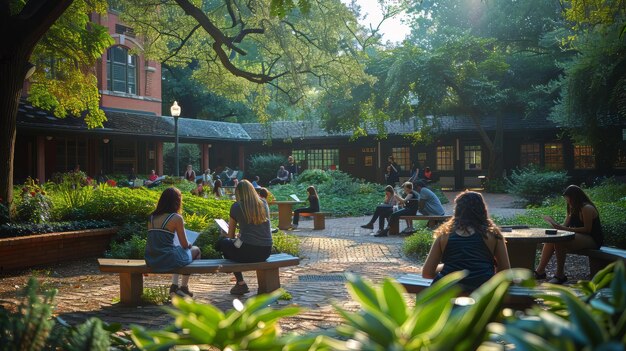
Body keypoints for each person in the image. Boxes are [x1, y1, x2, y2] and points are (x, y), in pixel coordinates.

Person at [422, 191, 510, 292]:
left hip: (449, 291)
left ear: (457, 210)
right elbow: (505, 272)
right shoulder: (493, 234)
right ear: (483, 209)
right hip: (482, 291)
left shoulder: (444, 234)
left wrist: (446, 267)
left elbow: (427, 273)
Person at [534, 185, 604, 284]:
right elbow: (564, 226)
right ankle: (539, 271)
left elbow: (587, 229)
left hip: (592, 239)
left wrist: (562, 228)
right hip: (581, 237)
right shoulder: (572, 209)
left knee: (560, 240)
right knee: (551, 239)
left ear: (574, 197)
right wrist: (555, 225)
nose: (567, 202)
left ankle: (560, 275)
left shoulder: (586, 208)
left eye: (568, 199)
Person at [216, 180, 273, 295]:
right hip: (266, 250)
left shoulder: (236, 206)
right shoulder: (263, 203)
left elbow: (230, 235)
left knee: (223, 243)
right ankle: (240, 281)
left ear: (238, 193)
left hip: (247, 249)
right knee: (237, 242)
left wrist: (224, 234)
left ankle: (241, 283)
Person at [145, 187, 201, 298]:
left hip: (151, 259)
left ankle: (174, 286)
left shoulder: (151, 217)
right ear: (177, 201)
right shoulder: (176, 218)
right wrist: (189, 244)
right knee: (196, 250)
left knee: (177, 251)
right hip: (167, 258)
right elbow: (184, 245)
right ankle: (184, 287)